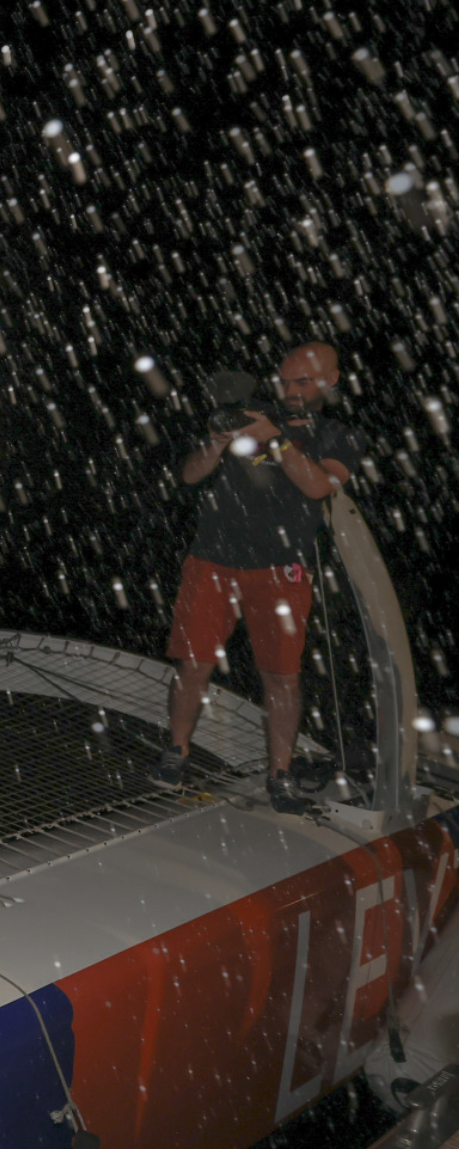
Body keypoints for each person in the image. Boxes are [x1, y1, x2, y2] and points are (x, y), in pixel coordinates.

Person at [151, 342, 362, 812]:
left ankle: (280, 775)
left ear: (330, 381)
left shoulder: (335, 434)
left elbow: (317, 485)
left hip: (282, 569)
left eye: (301, 382)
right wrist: (218, 439)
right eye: (283, 381)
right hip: (212, 560)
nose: (289, 391)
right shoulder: (247, 415)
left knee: (281, 676)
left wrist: (277, 440)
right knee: (193, 663)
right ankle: (176, 751)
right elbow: (190, 475)